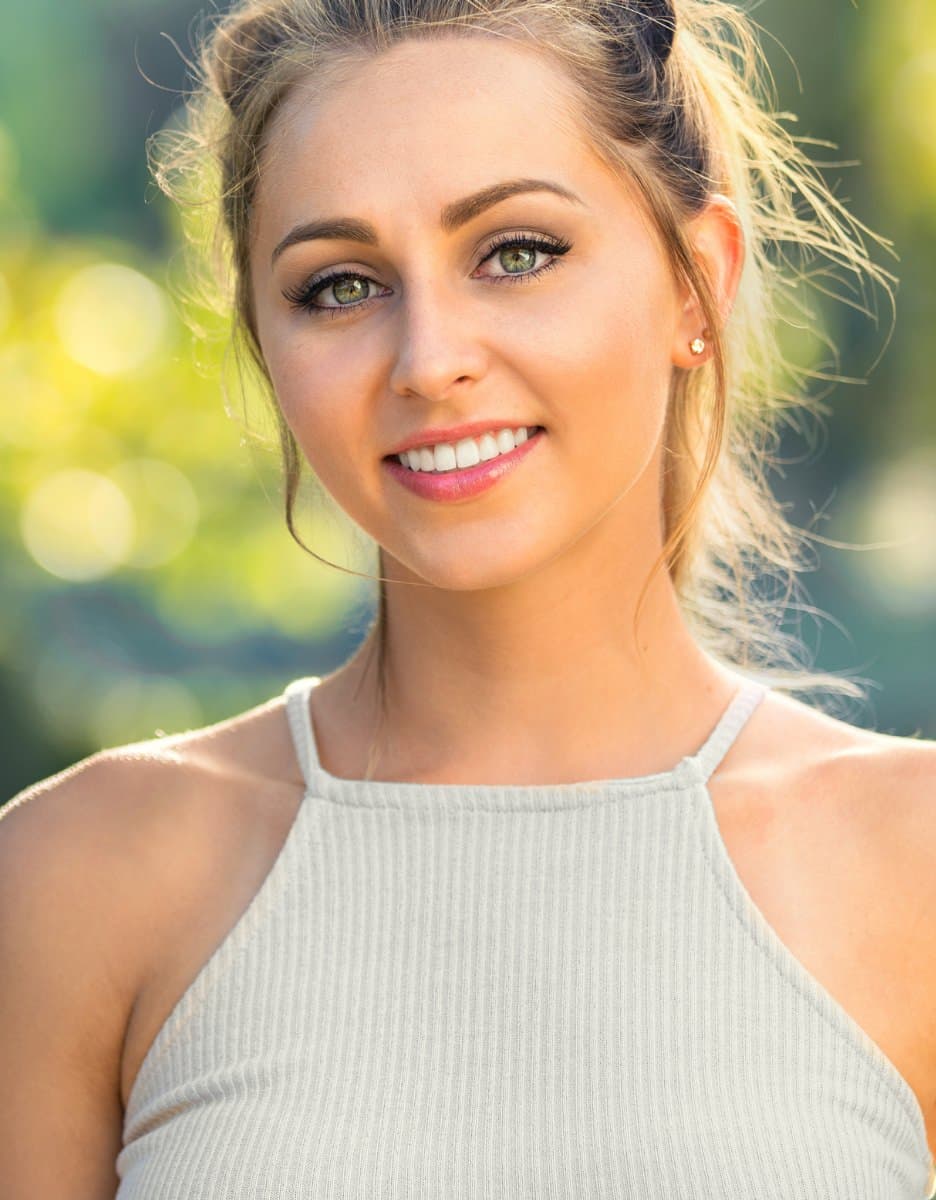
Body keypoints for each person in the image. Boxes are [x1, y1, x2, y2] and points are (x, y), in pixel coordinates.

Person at [2, 0, 934, 1195]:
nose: (429, 359)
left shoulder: (913, 864)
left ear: (695, 282)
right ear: (264, 344)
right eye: (339, 285)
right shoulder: (76, 879)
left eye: (518, 253)